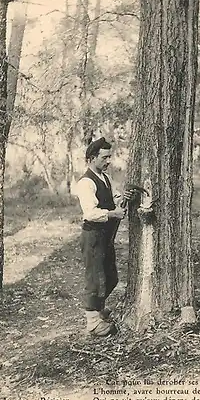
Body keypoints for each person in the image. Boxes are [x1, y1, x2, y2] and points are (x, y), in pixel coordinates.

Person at [75, 137, 135, 337]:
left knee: (111, 278)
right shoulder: (85, 182)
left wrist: (121, 199)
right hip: (93, 236)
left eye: (110, 157)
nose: (108, 161)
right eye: (104, 157)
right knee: (95, 279)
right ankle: (92, 323)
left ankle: (98, 310)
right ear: (92, 158)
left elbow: (112, 198)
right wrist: (112, 214)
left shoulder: (105, 178)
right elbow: (90, 212)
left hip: (105, 236)